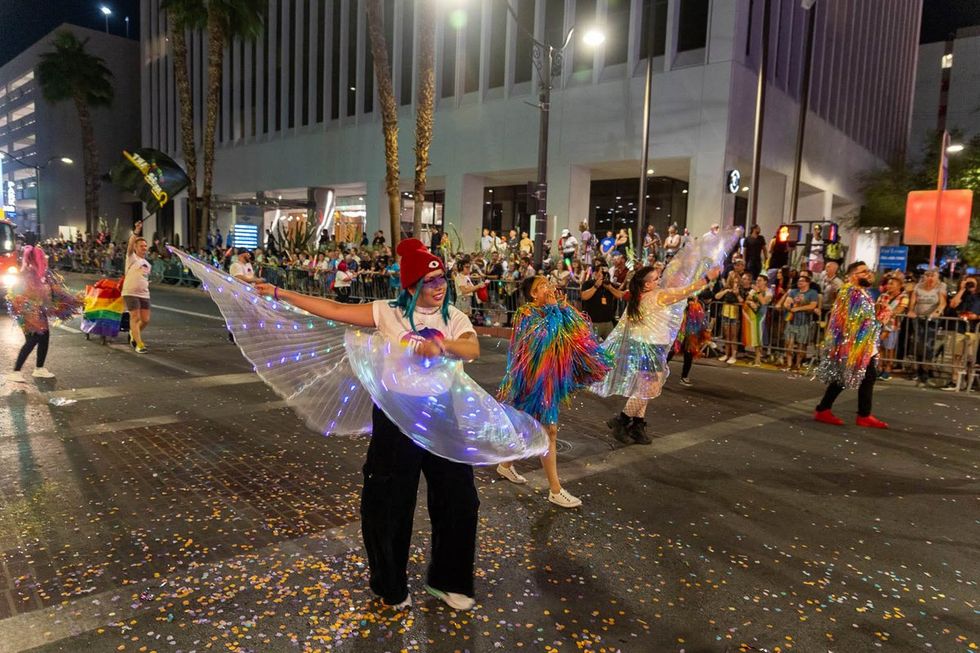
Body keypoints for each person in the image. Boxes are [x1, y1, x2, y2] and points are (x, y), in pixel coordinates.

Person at [254, 238, 482, 611]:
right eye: (430, 281)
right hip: (395, 416)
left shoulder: (453, 317)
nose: (439, 287)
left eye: (442, 279)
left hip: (441, 413)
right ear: (410, 286)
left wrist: (444, 345)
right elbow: (333, 309)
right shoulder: (387, 312)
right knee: (389, 501)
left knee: (459, 499)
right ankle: (389, 584)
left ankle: (449, 580)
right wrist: (282, 293)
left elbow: (472, 348)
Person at [496, 276, 612, 508]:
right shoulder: (525, 314)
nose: (548, 289)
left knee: (528, 427)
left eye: (548, 284)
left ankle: (505, 465)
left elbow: (580, 334)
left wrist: (563, 308)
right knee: (549, 431)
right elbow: (544, 339)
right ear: (532, 294)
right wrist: (554, 310)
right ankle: (555, 490)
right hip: (532, 381)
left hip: (551, 378)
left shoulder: (558, 310)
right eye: (541, 287)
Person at [598, 264, 722, 444]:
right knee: (651, 389)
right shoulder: (658, 296)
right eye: (656, 279)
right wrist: (707, 278)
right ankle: (622, 420)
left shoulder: (640, 297)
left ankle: (637, 425)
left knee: (643, 388)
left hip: (644, 346)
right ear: (647, 285)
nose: (659, 281)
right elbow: (688, 290)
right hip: (650, 348)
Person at [813, 261, 888, 428]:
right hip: (855, 345)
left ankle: (859, 414)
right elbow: (852, 320)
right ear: (853, 275)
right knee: (846, 377)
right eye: (863, 271)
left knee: (865, 377)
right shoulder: (850, 292)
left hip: (864, 343)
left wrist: (878, 315)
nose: (868, 274)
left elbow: (865, 317)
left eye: (868, 271)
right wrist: (876, 321)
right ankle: (830, 410)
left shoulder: (862, 293)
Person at [5, 238, 81, 383]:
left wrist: (76, 300)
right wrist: (27, 311)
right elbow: (14, 295)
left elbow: (58, 293)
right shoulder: (26, 275)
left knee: (44, 338)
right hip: (29, 314)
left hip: (39, 312)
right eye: (43, 257)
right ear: (37, 259)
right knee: (33, 339)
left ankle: (39, 368)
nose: (45, 259)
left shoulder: (44, 275)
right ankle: (15, 371)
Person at [907, 268, 947, 387]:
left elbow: (942, 302)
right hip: (918, 317)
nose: (930, 278)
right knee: (918, 343)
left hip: (932, 320)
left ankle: (926, 370)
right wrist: (911, 310)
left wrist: (937, 312)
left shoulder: (941, 286)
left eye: (933, 276)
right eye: (928, 275)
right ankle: (918, 369)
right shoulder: (918, 286)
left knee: (928, 345)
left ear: (937, 277)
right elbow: (913, 300)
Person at [943, 275, 980, 391]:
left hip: (974, 330)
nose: (970, 285)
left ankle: (971, 383)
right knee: (957, 356)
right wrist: (962, 289)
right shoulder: (964, 295)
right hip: (960, 329)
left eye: (972, 283)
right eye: (968, 282)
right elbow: (953, 304)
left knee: (970, 358)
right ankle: (955, 382)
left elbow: (975, 315)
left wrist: (975, 316)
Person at [777, 271, 819, 372]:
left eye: (802, 281)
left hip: (804, 322)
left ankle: (798, 364)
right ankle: (789, 363)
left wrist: (799, 308)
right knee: (788, 343)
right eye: (799, 281)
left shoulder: (813, 293)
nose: (799, 282)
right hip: (792, 321)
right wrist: (792, 303)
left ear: (807, 283)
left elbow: (813, 305)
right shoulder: (793, 291)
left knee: (801, 344)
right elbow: (786, 304)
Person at [122, 220, 153, 354]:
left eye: (145, 246)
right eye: (141, 246)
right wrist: (137, 231)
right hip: (130, 292)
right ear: (135, 247)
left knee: (145, 320)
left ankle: (133, 333)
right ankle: (138, 343)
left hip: (144, 294)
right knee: (135, 318)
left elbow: (144, 277)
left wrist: (146, 284)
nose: (144, 248)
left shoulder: (147, 264)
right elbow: (129, 244)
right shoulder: (131, 257)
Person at [669, 295, 711, 386]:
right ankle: (657, 372)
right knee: (672, 351)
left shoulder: (696, 306)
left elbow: (700, 319)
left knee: (688, 353)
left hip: (690, 333)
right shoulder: (682, 304)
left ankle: (684, 377)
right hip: (680, 331)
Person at [875, 273, 908, 381]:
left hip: (892, 327)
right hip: (880, 325)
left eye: (892, 284)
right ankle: (879, 368)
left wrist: (887, 312)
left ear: (899, 286)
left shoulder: (903, 297)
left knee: (889, 349)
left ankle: (888, 369)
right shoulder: (883, 296)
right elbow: (877, 307)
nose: (889, 286)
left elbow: (900, 309)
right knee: (879, 348)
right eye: (888, 284)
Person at [580, 266, 623, 338]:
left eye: (605, 272)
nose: (603, 274)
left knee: (611, 347)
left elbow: (619, 295)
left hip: (608, 322)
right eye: (601, 272)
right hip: (593, 322)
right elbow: (584, 296)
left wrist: (610, 288)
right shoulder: (588, 284)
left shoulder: (609, 284)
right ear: (595, 273)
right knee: (593, 347)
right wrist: (595, 286)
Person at [742, 274, 773, 366]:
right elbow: (747, 299)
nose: (757, 282)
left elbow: (764, 302)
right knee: (756, 336)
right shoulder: (753, 290)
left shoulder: (769, 291)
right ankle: (757, 358)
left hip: (762, 316)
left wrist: (758, 292)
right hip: (753, 315)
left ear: (765, 282)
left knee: (760, 336)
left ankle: (758, 358)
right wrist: (751, 302)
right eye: (757, 281)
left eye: (760, 280)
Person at [714, 272, 743, 364]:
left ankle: (733, 355)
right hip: (726, 312)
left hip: (735, 313)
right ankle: (727, 354)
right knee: (727, 335)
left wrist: (737, 294)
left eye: (737, 279)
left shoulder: (740, 289)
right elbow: (717, 296)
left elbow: (742, 302)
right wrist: (726, 291)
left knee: (734, 335)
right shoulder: (726, 288)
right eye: (733, 279)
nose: (735, 281)